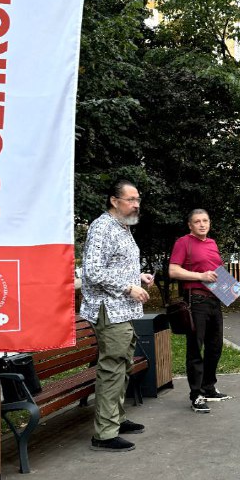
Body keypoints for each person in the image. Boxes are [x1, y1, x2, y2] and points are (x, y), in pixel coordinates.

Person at [80, 179, 154, 452]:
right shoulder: (102, 227)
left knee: (122, 366)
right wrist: (128, 287)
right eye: (130, 199)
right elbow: (92, 272)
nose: (136, 204)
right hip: (108, 310)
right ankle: (104, 433)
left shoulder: (122, 228)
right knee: (112, 369)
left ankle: (116, 418)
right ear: (114, 200)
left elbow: (115, 267)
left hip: (122, 310)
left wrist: (138, 277)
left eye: (138, 200)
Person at [169, 209, 230, 413]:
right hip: (195, 301)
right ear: (190, 225)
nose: (202, 224)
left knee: (215, 346)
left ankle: (208, 388)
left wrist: (228, 289)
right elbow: (173, 270)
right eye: (197, 221)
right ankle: (196, 395)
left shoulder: (211, 243)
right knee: (195, 348)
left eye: (205, 221)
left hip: (215, 300)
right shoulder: (183, 242)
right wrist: (200, 276)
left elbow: (216, 272)